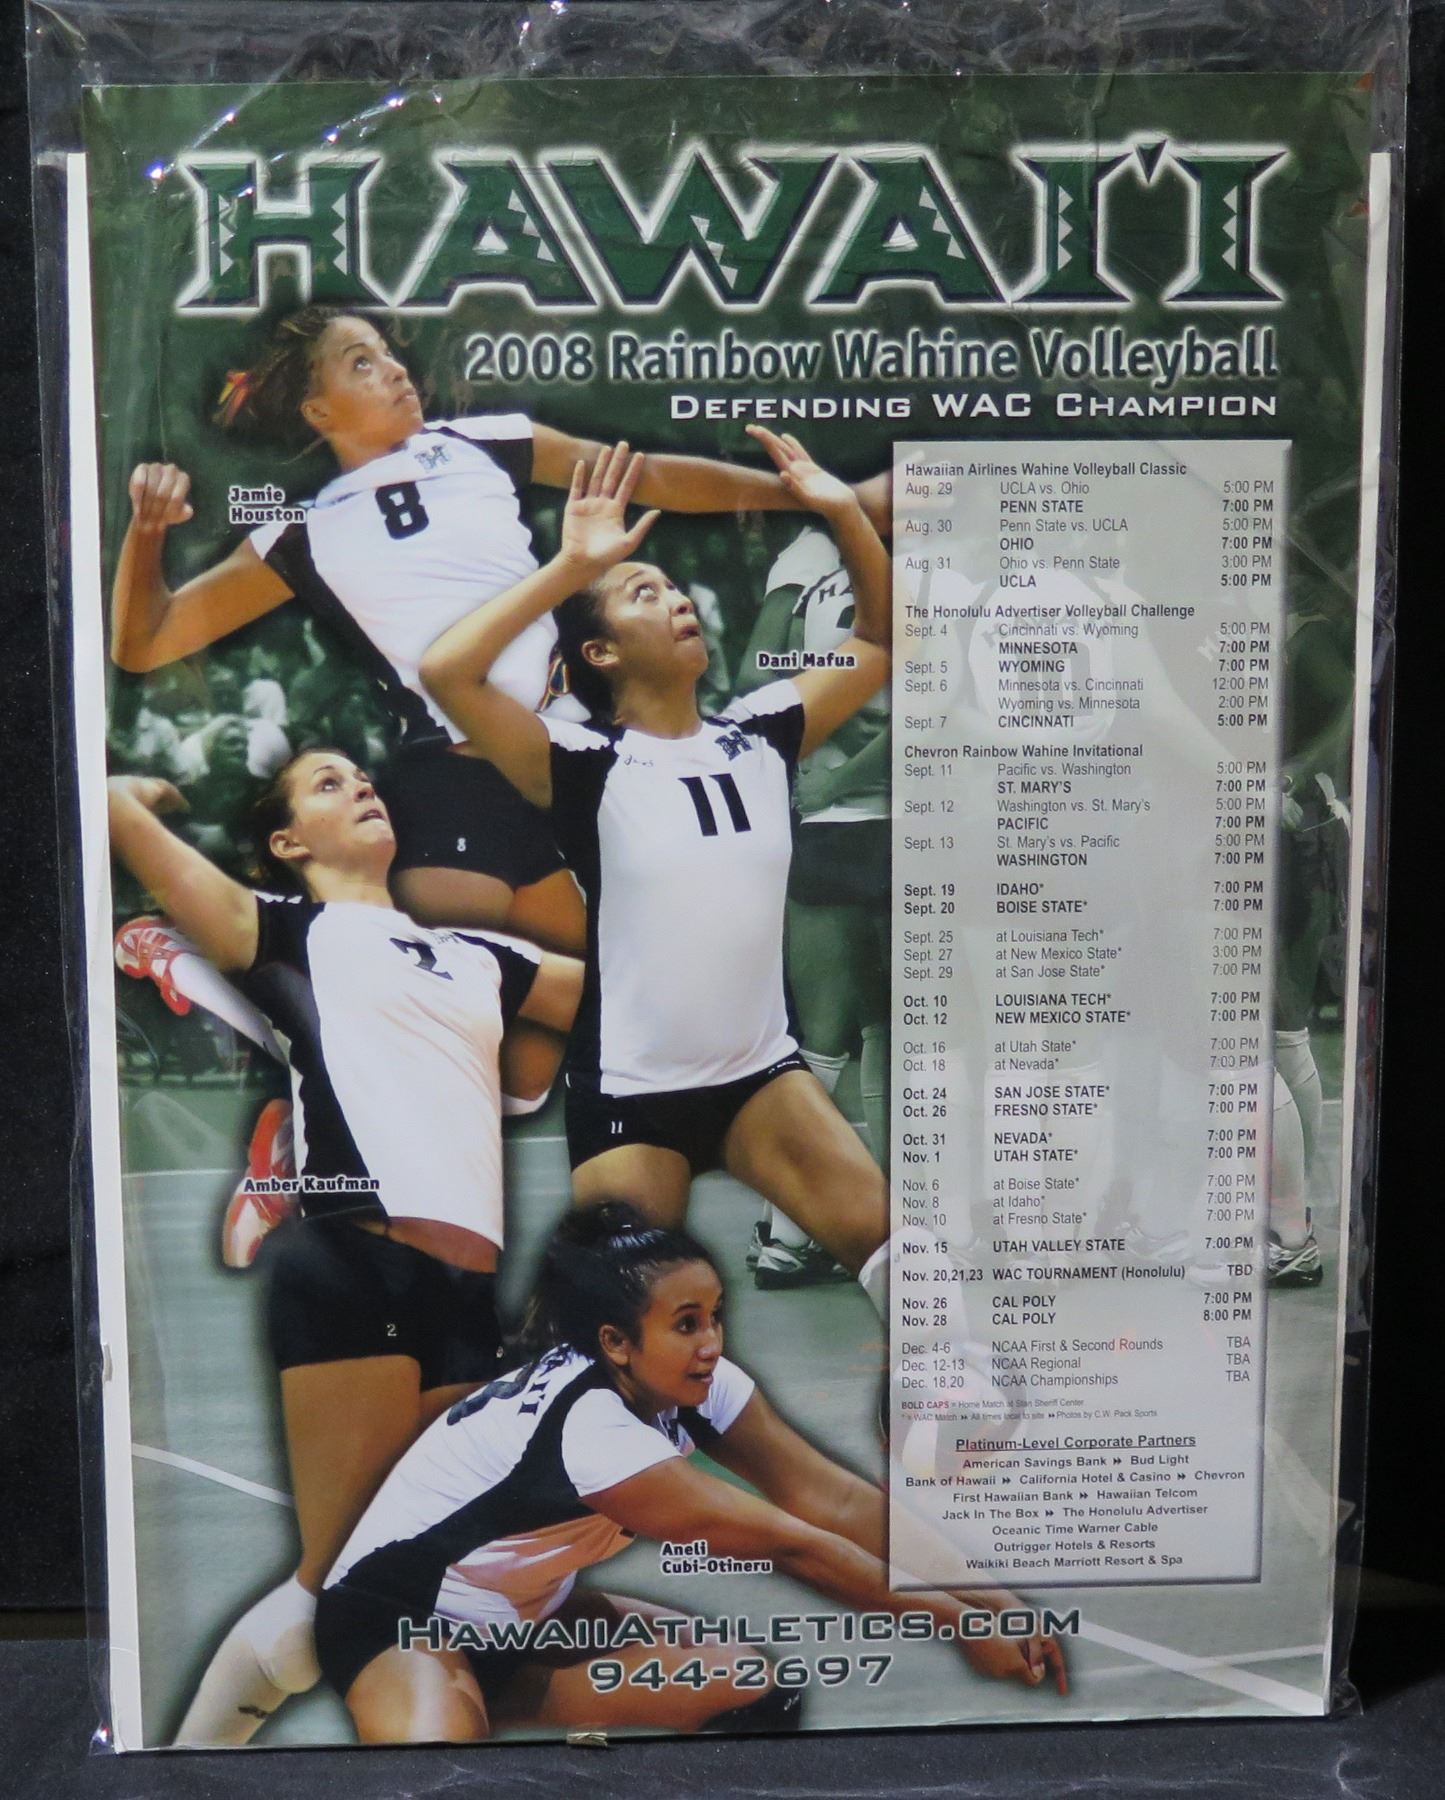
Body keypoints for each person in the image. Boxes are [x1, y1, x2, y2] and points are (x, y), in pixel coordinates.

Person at [111, 305, 855, 953]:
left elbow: (651, 477)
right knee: (480, 1011)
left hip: (575, 756)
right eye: (361, 362)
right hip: (457, 777)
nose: (394, 369)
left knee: (621, 995)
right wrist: (146, 534)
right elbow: (144, 643)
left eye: (388, 353)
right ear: (319, 413)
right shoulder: (298, 534)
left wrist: (814, 498)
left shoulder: (484, 443)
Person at [107, 752, 582, 1746]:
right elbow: (123, 824)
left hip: (466, 1291)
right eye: (327, 785)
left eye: (363, 776)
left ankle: (197, 1762)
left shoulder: (477, 956)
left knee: (417, 1577)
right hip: (356, 1266)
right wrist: (133, 802)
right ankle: (187, 1767)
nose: (360, 785)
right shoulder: (284, 925)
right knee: (346, 1585)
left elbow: (628, 996)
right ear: (287, 843)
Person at [418, 432, 897, 1317]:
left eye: (675, 589)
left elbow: (879, 636)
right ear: (601, 653)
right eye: (645, 592)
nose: (678, 600)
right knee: (618, 1338)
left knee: (918, 1283)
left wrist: (841, 512)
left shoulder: (765, 730)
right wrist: (572, 567)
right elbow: (447, 671)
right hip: (633, 1092)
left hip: (762, 1079)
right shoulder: (579, 759)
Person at [315, 1203, 1067, 1743]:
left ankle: (495, 1707)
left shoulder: (693, 1381)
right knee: (442, 1768)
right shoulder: (593, 1432)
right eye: (685, 1324)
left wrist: (995, 1599)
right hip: (399, 1623)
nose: (710, 1342)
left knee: (750, 1693)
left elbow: (831, 1498)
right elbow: (794, 1545)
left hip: (530, 1621)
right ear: (617, 1342)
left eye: (714, 1315)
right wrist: (960, 1623)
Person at [735, 505, 892, 1288]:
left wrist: (819, 730)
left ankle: (787, 1235)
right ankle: (890, 1228)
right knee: (893, 1032)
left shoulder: (814, 572)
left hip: (825, 827)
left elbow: (754, 679)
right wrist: (845, 764)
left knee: (821, 1039)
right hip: (898, 824)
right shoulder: (920, 575)